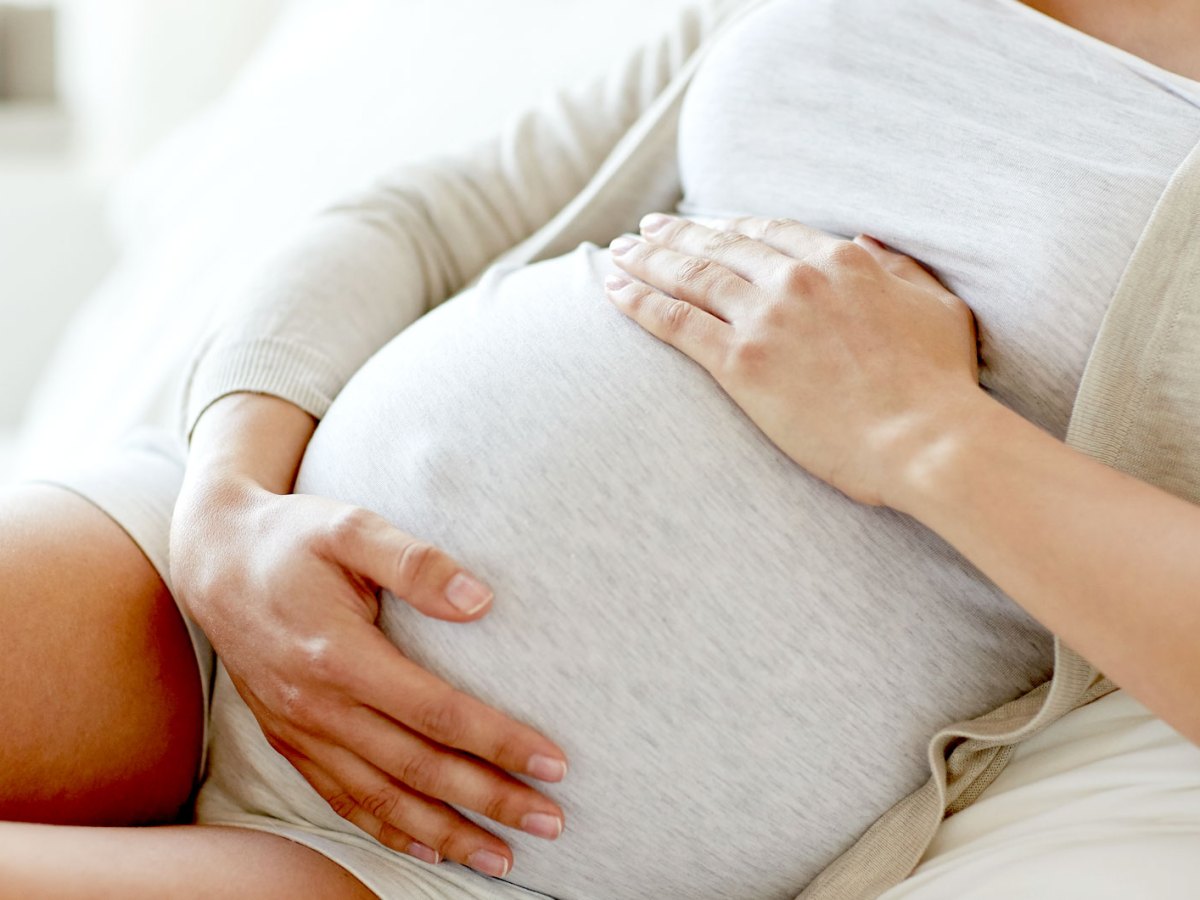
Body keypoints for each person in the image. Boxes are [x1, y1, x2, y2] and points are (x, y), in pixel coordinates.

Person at [2, 0, 1199, 896]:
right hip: (202, 581)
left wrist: (925, 433)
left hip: (464, 859)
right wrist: (230, 502)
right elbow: (426, 215)